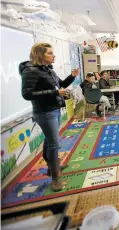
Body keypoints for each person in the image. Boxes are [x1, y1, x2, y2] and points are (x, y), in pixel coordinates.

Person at [20, 43, 79, 191]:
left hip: (54, 109)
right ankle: (55, 176)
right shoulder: (31, 71)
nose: (54, 56)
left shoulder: (47, 70)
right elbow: (27, 94)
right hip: (44, 112)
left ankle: (53, 166)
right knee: (54, 143)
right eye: (50, 53)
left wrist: (72, 76)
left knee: (49, 140)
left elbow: (61, 85)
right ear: (40, 55)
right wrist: (54, 93)